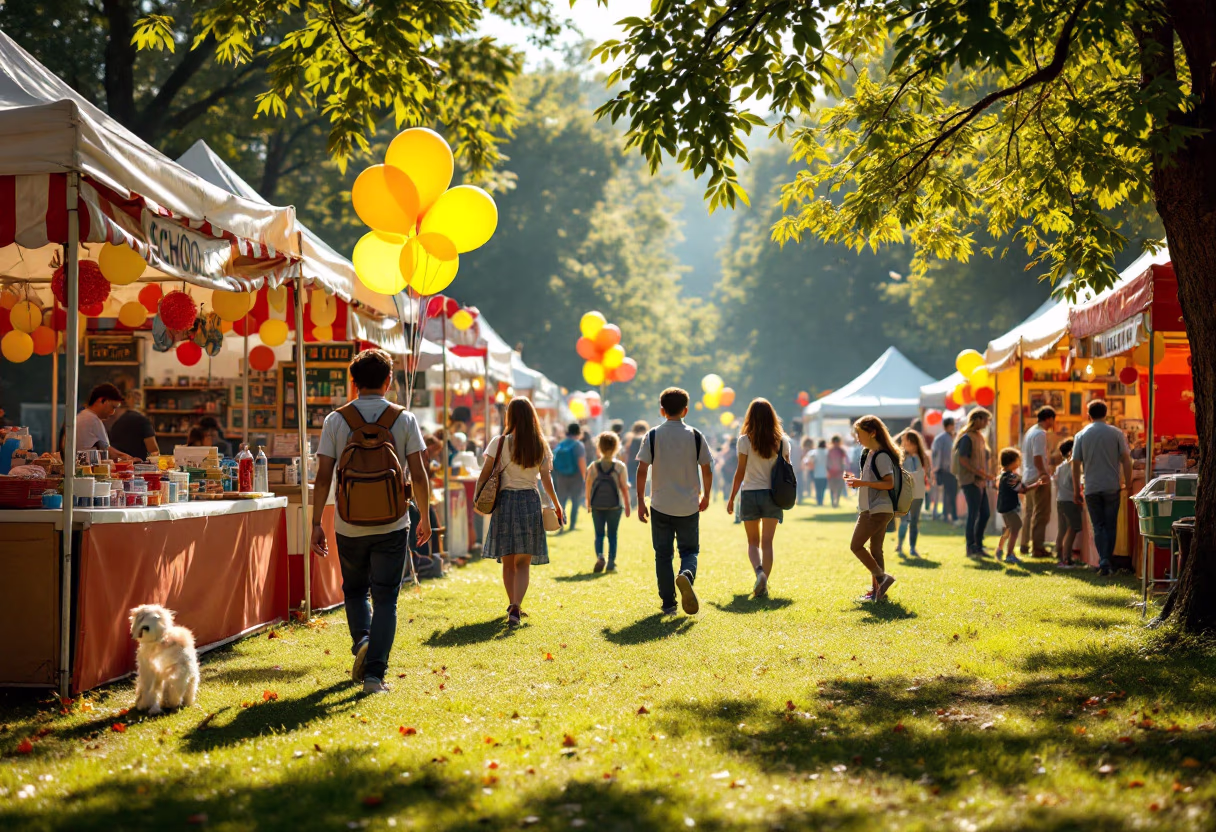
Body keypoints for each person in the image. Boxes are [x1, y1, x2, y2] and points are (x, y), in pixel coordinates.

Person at [310, 349, 431, 694]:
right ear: (388, 380)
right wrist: (423, 515)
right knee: (386, 598)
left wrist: (316, 522)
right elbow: (418, 473)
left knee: (354, 589)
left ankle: (362, 640)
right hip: (393, 522)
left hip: (348, 523)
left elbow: (323, 476)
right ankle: (374, 676)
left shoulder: (336, 420)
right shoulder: (404, 419)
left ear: (354, 382)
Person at [477, 398, 563, 626]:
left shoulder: (499, 442)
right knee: (523, 562)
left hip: (505, 501)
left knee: (508, 561)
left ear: (510, 417)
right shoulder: (540, 444)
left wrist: (478, 498)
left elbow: (485, 473)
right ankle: (516, 605)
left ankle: (513, 604)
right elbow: (546, 480)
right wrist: (556, 504)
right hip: (530, 501)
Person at [635, 387, 713, 616]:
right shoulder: (696, 436)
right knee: (690, 551)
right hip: (688, 505)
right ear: (685, 410)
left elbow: (642, 470)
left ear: (662, 410)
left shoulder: (652, 435)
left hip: (660, 504)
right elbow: (707, 469)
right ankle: (686, 574)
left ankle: (669, 604)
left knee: (663, 555)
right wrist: (707, 495)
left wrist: (640, 500)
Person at [725, 398, 792, 598]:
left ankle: (759, 573)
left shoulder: (744, 440)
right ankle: (764, 584)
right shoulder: (782, 441)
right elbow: (788, 470)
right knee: (767, 543)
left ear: (750, 417)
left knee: (753, 542)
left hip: (750, 494)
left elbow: (740, 472)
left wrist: (731, 498)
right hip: (773, 495)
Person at [1071, 399, 1132, 576]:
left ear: (1088, 415)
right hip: (1112, 485)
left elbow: (1075, 464)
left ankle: (1103, 559)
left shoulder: (1081, 435)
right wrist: (1128, 482)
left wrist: (1076, 489)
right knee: (1110, 525)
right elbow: (1126, 459)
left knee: (1098, 526)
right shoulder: (1116, 433)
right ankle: (1106, 559)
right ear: (1106, 414)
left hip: (1091, 486)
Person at [843, 415, 899, 602]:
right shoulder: (870, 453)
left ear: (873, 433)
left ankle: (882, 579)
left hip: (877, 509)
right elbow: (872, 481)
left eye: (859, 434)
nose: (857, 438)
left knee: (856, 545)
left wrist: (862, 482)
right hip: (875, 507)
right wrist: (857, 481)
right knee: (875, 550)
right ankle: (878, 593)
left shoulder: (881, 456)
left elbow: (889, 483)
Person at [585, 431, 630, 572]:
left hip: (597, 504)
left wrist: (588, 502)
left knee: (598, 534)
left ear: (599, 447)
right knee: (612, 535)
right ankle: (611, 562)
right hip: (615, 506)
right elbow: (624, 488)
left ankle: (600, 556)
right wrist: (627, 505)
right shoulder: (620, 467)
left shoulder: (593, 466)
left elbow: (588, 485)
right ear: (616, 446)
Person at [954, 408, 993, 556]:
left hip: (980, 480)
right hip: (970, 480)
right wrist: (979, 472)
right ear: (977, 419)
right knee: (974, 513)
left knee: (985, 513)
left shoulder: (979, 436)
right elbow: (963, 460)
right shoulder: (966, 437)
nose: (987, 423)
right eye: (985, 420)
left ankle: (978, 545)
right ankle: (971, 546)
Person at [1019, 406, 1056, 557]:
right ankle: (1037, 547)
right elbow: (1038, 456)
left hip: (1028, 476)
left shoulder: (1030, 431)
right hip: (1037, 476)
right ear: (1049, 419)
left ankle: (1024, 544)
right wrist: (1043, 473)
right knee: (1042, 512)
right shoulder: (1040, 433)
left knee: (1028, 512)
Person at [75, 384, 137, 460]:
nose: (113, 412)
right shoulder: (92, 419)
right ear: (101, 400)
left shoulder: (82, 416)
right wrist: (130, 459)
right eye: (113, 407)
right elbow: (108, 452)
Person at [896, 429, 931, 558]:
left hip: (918, 492)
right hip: (905, 493)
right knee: (905, 520)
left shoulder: (921, 457)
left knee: (914, 520)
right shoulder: (901, 457)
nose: (909, 446)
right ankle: (900, 545)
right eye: (906, 443)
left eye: (911, 443)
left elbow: (926, 473)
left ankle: (912, 547)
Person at [994, 448, 1028, 565]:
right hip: (1009, 508)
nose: (1019, 462)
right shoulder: (1010, 476)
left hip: (1004, 508)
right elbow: (1022, 489)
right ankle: (1009, 554)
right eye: (1018, 460)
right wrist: (1036, 484)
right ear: (1011, 462)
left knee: (1008, 529)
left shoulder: (1003, 475)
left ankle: (1000, 550)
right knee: (1016, 527)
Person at [552, 423, 588, 531]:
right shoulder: (578, 445)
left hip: (561, 476)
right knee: (575, 501)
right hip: (576, 476)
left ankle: (561, 525)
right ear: (579, 432)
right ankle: (572, 525)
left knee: (561, 501)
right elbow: (581, 462)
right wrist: (585, 477)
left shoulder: (561, 444)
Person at [1053, 439, 1081, 568]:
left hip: (1060, 499)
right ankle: (1066, 558)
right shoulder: (1072, 466)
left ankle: (1059, 554)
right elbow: (1075, 482)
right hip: (1070, 500)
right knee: (1072, 528)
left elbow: (1056, 482)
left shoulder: (1059, 467)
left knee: (1062, 529)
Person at [108, 396, 159, 460]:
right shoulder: (142, 420)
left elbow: (154, 452)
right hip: (134, 464)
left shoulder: (115, 423)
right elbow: (154, 451)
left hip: (126, 463)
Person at [931, 418, 958, 522]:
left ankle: (947, 514)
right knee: (948, 493)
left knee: (948, 493)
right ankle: (948, 515)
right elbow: (937, 455)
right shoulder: (943, 439)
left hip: (948, 470)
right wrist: (937, 468)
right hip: (945, 470)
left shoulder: (948, 438)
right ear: (949, 426)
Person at [827, 435, 848, 507]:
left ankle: (836, 502)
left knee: (837, 488)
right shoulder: (833, 450)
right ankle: (834, 502)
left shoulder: (838, 450)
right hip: (834, 472)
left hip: (837, 472)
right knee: (834, 488)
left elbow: (844, 461)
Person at [798, 436, 815, 504]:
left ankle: (803, 494)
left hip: (803, 467)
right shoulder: (812, 450)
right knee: (809, 481)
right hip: (810, 467)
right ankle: (809, 492)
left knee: (803, 481)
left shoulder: (802, 449)